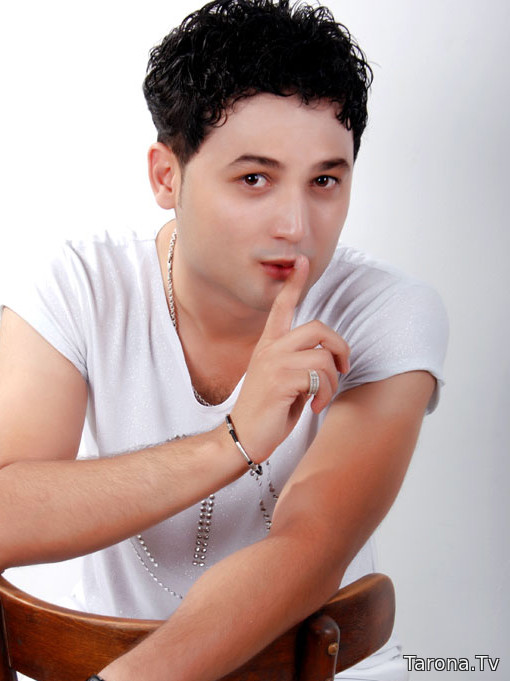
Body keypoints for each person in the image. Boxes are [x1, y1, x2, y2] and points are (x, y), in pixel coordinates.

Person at [0, 1, 448, 679]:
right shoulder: (81, 284)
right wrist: (230, 441)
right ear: (166, 176)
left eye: (325, 180)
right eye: (254, 178)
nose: (296, 224)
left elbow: (312, 545)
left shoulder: (384, 310)